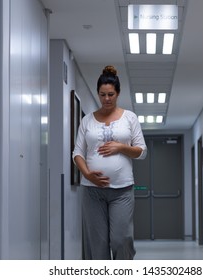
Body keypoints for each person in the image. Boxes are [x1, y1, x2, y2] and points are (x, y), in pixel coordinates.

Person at [72, 65, 147, 260]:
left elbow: (142, 151)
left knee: (120, 240)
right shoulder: (87, 120)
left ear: (118, 93)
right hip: (92, 191)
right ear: (98, 94)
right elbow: (77, 153)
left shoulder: (130, 118)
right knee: (98, 244)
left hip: (122, 190)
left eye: (111, 94)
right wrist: (87, 174)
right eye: (103, 94)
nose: (107, 99)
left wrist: (121, 147)